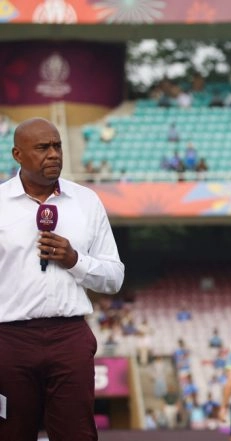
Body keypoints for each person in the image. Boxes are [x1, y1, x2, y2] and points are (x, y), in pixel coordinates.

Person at [0, 117, 125, 441]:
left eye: (57, 146)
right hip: (9, 339)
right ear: (17, 154)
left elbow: (114, 277)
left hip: (69, 335)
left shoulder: (86, 201)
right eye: (42, 148)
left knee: (78, 434)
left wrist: (74, 260)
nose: (54, 154)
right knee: (11, 432)